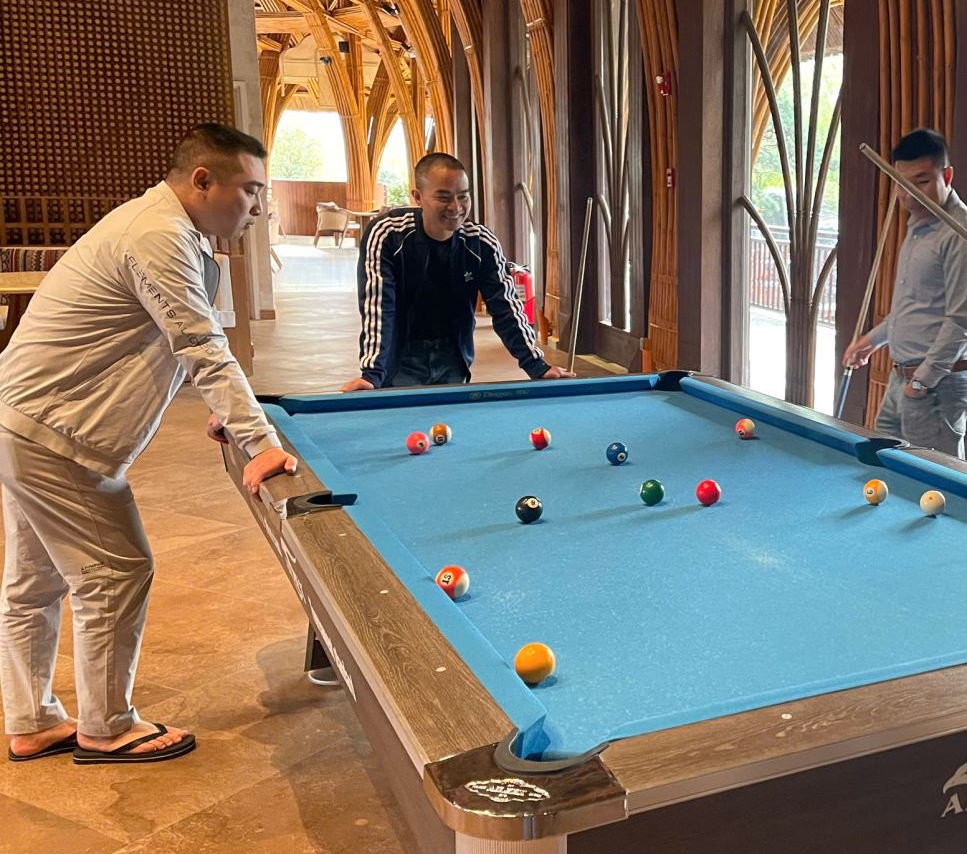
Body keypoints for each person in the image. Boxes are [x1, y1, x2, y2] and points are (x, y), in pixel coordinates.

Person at [0, 123, 296, 766]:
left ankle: (32, 721)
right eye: (250, 190)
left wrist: (227, 415)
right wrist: (259, 441)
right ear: (203, 181)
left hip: (22, 421)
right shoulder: (157, 234)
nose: (257, 207)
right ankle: (106, 727)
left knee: (34, 583)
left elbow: (159, 344)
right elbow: (200, 346)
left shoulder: (168, 230)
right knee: (115, 571)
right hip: (55, 435)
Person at [341, 153, 571, 391]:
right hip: (399, 357)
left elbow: (505, 306)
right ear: (418, 197)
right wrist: (372, 373)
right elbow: (378, 307)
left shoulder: (480, 242)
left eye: (463, 196)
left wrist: (537, 366)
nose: (456, 207)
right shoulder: (388, 234)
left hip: (453, 356)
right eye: (444, 197)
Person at [842, 129, 967, 457]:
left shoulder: (963, 233)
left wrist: (920, 384)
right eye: (900, 183)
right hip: (902, 380)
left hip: (935, 387)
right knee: (878, 465)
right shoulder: (920, 224)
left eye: (921, 182)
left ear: (947, 176)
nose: (908, 194)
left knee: (929, 481)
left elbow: (960, 323)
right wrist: (870, 341)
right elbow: (915, 308)